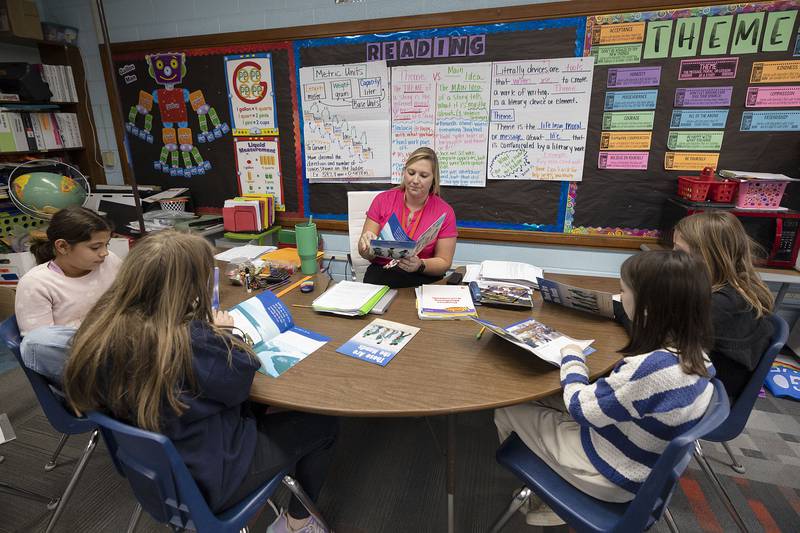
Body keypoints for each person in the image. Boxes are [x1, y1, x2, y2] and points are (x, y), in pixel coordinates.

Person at [62, 231, 338, 533]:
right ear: (188, 289)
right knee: (323, 423)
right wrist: (227, 334)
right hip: (212, 475)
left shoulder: (99, 330)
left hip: (153, 470)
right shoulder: (189, 343)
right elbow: (239, 383)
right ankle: (298, 524)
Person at [494, 251, 716, 526]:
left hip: (610, 475)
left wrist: (572, 358)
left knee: (505, 409)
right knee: (550, 400)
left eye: (623, 291)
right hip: (640, 463)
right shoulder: (698, 357)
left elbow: (580, 409)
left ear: (647, 308)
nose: (619, 297)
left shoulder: (650, 369)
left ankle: (544, 497)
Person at [672, 211, 774, 401]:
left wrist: (621, 310)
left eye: (679, 252)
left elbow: (665, 339)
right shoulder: (737, 289)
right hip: (713, 385)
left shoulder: (720, 304)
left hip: (709, 398)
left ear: (706, 256)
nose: (673, 258)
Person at [16, 206, 120, 384]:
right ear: (62, 246)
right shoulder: (36, 284)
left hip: (119, 344)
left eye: (106, 244)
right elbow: (42, 347)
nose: (104, 253)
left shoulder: (109, 261)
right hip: (82, 367)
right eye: (95, 247)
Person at [357, 147, 457, 288]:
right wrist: (366, 246)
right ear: (404, 172)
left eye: (423, 175)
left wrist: (420, 264)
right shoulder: (382, 200)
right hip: (382, 275)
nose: (415, 180)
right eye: (411, 173)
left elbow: (444, 262)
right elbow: (364, 253)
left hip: (422, 277)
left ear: (434, 179)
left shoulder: (444, 211)